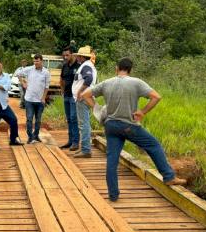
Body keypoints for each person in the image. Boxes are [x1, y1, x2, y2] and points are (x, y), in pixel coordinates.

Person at [80, 57, 187, 202]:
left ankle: (113, 195)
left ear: (116, 68)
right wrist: (142, 112)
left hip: (110, 125)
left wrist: (96, 108)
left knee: (112, 159)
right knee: (153, 145)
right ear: (130, 70)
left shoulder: (107, 83)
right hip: (128, 125)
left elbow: (85, 95)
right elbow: (156, 97)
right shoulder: (136, 82)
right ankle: (169, 176)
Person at [18, 54, 51, 144]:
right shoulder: (29, 69)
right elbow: (19, 74)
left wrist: (43, 98)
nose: (35, 63)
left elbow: (47, 87)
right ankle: (30, 137)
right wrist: (23, 83)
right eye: (34, 61)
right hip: (29, 99)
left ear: (42, 61)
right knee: (29, 118)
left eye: (37, 61)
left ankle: (36, 136)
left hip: (40, 101)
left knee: (38, 119)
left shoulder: (46, 72)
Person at [71, 45, 97, 158]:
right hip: (86, 97)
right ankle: (84, 148)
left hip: (83, 98)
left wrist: (80, 92)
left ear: (81, 56)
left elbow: (89, 79)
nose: (77, 58)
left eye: (78, 56)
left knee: (83, 124)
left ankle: (86, 150)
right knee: (84, 123)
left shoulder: (86, 66)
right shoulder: (89, 65)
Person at [60, 46, 80, 151]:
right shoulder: (65, 66)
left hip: (74, 96)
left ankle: (76, 142)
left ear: (73, 54)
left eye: (67, 55)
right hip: (66, 96)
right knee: (69, 119)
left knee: (74, 118)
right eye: (64, 55)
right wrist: (62, 90)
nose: (65, 57)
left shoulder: (79, 66)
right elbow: (62, 78)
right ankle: (70, 141)